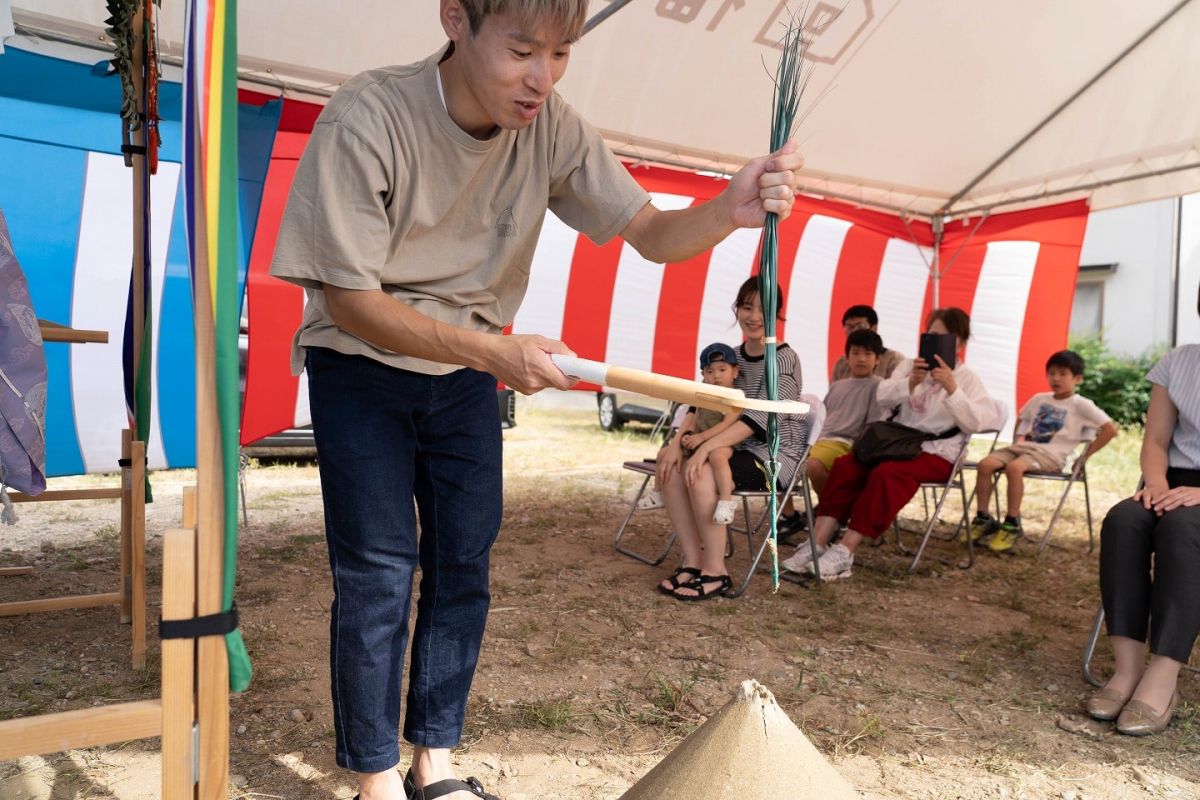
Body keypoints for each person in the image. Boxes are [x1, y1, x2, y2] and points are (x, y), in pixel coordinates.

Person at [268, 2, 804, 797]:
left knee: (463, 562)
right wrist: (493, 351)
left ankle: (434, 763)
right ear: (456, 19)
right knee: (380, 570)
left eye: (561, 54)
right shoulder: (369, 114)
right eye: (522, 49)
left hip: (465, 375)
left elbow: (653, 234)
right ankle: (376, 777)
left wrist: (729, 210)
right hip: (362, 365)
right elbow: (348, 298)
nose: (542, 77)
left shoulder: (552, 126)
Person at [782, 308, 994, 581]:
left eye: (946, 337)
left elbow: (976, 422)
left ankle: (845, 551)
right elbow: (882, 396)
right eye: (932, 335)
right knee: (847, 466)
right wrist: (911, 382)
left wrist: (953, 389)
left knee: (888, 474)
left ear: (961, 343)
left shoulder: (967, 379)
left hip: (936, 451)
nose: (937, 341)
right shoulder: (909, 366)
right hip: (893, 442)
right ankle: (817, 542)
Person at [656, 277, 807, 601]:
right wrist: (675, 442)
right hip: (727, 445)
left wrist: (706, 448)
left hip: (773, 452)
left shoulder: (783, 359)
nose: (753, 316)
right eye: (746, 306)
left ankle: (716, 571)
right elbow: (699, 405)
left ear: (777, 313)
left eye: (763, 309)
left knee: (702, 472)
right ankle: (692, 561)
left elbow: (760, 419)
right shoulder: (730, 357)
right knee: (669, 466)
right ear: (736, 309)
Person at [1087, 341, 1200, 736]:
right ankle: (1128, 669)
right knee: (1124, 520)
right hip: (1173, 481)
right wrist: (1155, 485)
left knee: (1182, 529)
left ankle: (1164, 677)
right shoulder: (1180, 361)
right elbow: (1155, 440)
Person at [969, 350, 1117, 552]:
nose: (1056, 378)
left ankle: (1011, 524)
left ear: (1078, 378)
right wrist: (1016, 440)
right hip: (1023, 448)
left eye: (1063, 374)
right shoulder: (1039, 398)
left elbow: (1110, 429)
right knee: (985, 465)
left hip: (1051, 456)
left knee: (1014, 468)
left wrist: (1084, 457)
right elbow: (1022, 419)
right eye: (1052, 373)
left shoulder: (1081, 404)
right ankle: (983, 518)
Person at [638, 343, 746, 524]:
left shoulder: (735, 396)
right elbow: (695, 415)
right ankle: (658, 493)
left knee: (718, 456)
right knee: (663, 453)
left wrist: (702, 438)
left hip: (723, 441)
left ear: (735, 371)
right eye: (710, 371)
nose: (716, 376)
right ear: (703, 375)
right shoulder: (704, 391)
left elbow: (728, 423)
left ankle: (726, 501)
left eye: (722, 369)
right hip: (698, 439)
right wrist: (689, 433)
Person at [806, 329, 885, 496]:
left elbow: (873, 425)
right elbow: (822, 417)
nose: (861, 359)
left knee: (814, 466)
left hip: (845, 443)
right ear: (847, 357)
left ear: (878, 359)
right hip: (818, 441)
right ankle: (789, 515)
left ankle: (829, 510)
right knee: (778, 464)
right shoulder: (837, 385)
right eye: (855, 353)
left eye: (868, 354)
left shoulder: (879, 386)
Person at [829, 304, 905, 381]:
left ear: (874, 328)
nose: (854, 331)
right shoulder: (841, 363)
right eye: (849, 327)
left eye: (860, 326)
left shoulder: (894, 359)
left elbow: (897, 391)